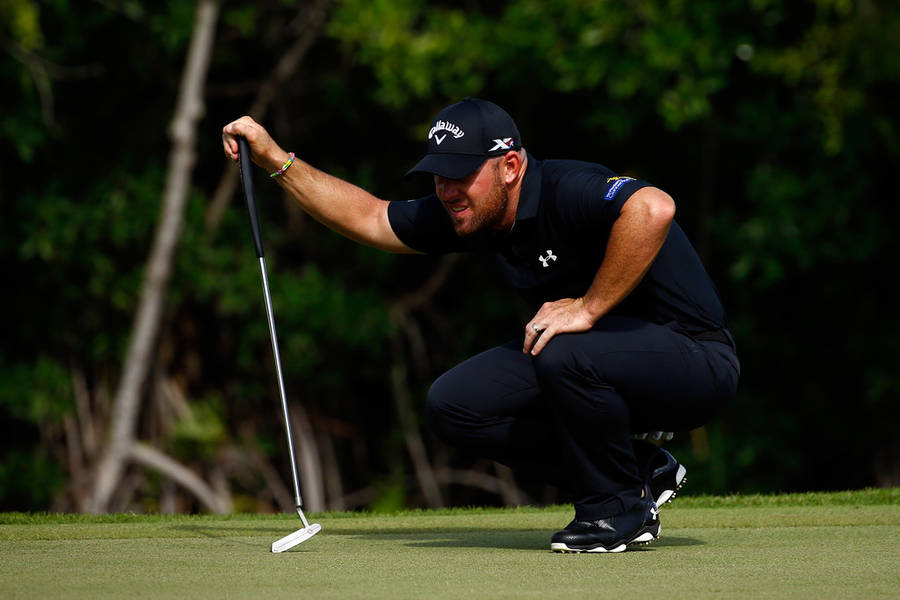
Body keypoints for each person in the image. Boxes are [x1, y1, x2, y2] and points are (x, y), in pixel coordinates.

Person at [222, 98, 740, 553]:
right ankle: (638, 470)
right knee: (456, 405)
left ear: (511, 166)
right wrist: (277, 160)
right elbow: (373, 218)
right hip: (593, 366)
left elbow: (653, 208)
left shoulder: (565, 187)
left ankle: (616, 511)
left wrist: (586, 307)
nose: (447, 191)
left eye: (460, 174)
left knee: (562, 348)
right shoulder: (472, 212)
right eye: (439, 176)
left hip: (694, 360)